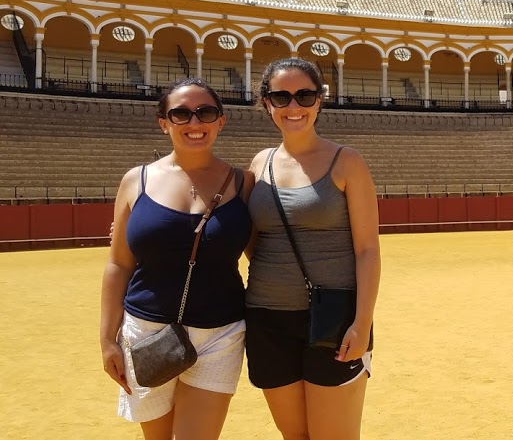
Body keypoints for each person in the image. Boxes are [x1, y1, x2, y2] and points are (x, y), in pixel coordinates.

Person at [99, 79, 254, 440]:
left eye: (206, 112)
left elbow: (263, 255)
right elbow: (118, 264)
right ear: (163, 123)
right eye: (181, 114)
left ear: (221, 121)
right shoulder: (135, 181)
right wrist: (108, 339)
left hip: (220, 334)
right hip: (145, 332)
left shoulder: (244, 183)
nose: (194, 123)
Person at [245, 57, 381, 440]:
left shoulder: (347, 161)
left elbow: (368, 248)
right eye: (281, 97)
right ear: (266, 102)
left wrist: (363, 321)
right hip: (266, 318)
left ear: (320, 100)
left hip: (335, 320)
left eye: (305, 95)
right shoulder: (260, 163)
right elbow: (248, 236)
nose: (294, 107)